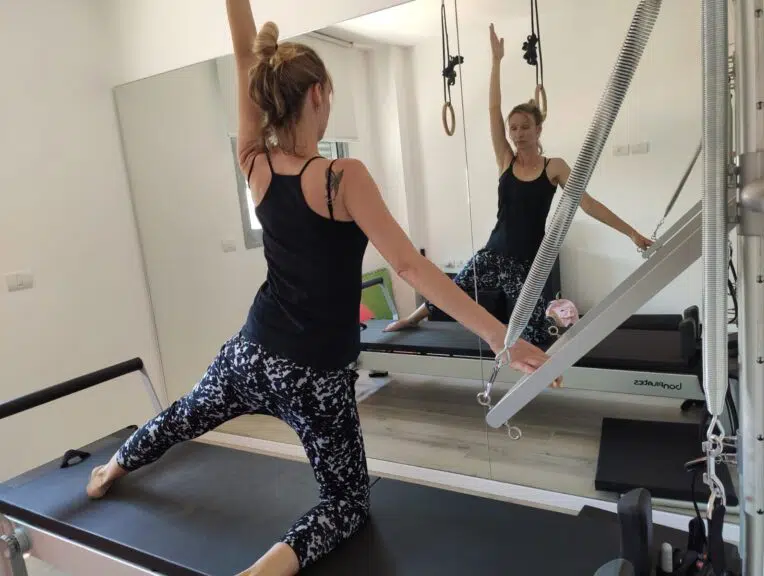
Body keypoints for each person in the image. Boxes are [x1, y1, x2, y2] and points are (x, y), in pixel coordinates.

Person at [84, 4, 556, 576]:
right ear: (317, 95)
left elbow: (243, 54)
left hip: (252, 354)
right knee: (346, 503)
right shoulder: (341, 176)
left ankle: (113, 467)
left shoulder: (254, 162)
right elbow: (409, 266)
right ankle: (262, 569)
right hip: (317, 376)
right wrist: (502, 338)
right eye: (329, 96)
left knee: (183, 414)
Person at [386, 23, 653, 345]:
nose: (518, 133)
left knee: (534, 331)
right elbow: (493, 110)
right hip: (493, 253)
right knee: (452, 289)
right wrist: (496, 61)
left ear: (538, 129)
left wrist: (632, 233)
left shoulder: (554, 167)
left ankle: (550, 345)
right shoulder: (505, 160)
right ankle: (412, 318)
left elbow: (588, 204)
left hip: (527, 263)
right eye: (513, 128)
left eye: (525, 127)